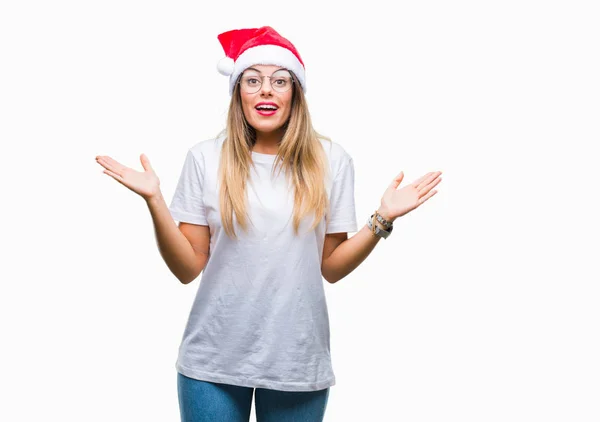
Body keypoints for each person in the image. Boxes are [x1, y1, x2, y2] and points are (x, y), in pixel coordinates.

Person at [95, 25, 442, 422]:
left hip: (296, 360)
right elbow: (187, 268)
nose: (266, 90)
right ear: (237, 92)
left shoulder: (331, 160)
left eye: (279, 80)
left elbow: (331, 267)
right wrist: (154, 200)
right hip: (213, 361)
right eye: (253, 80)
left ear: (295, 92)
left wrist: (382, 220)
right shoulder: (206, 158)